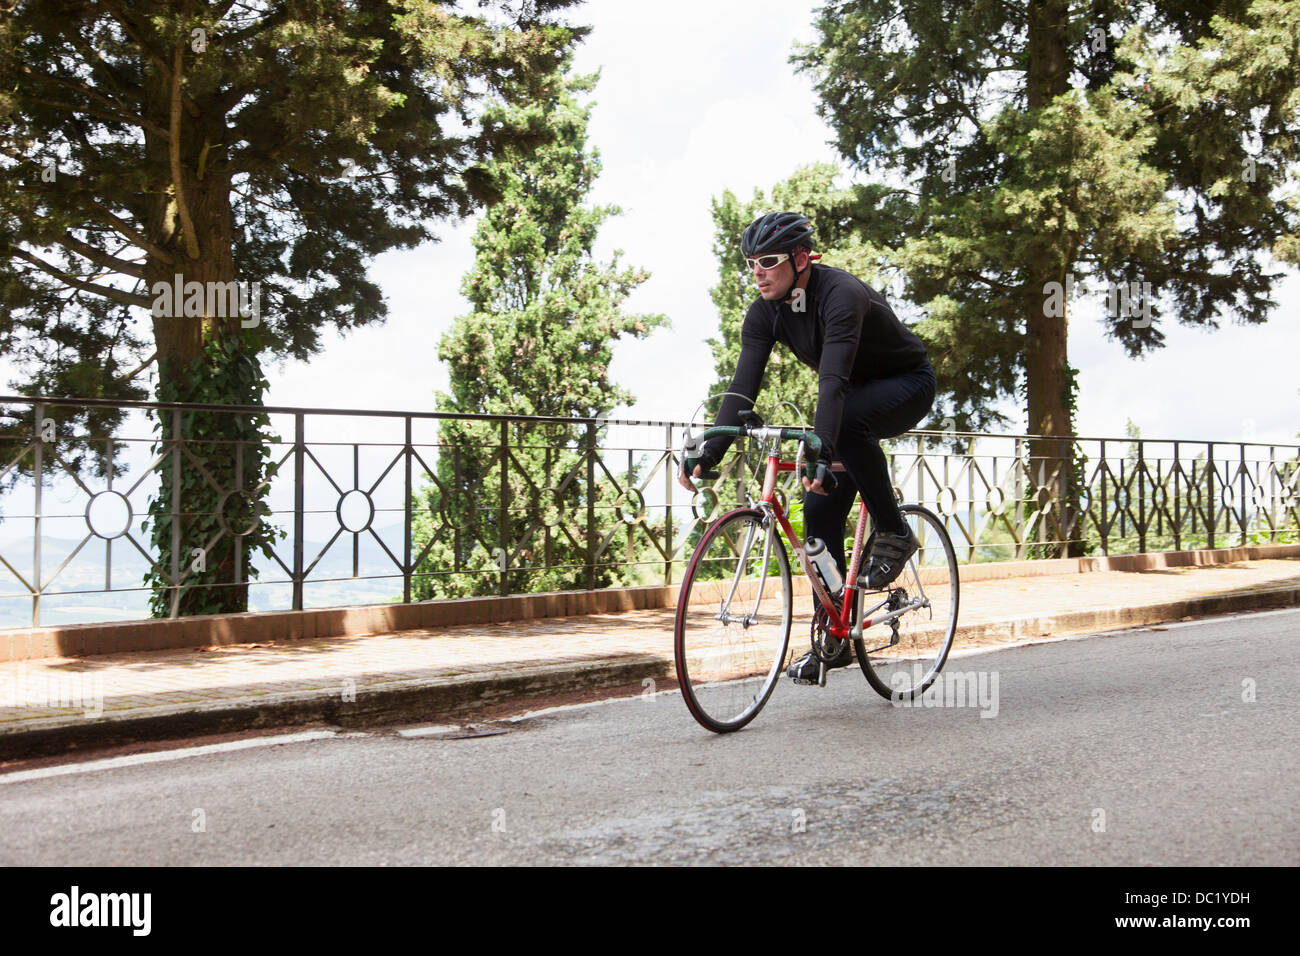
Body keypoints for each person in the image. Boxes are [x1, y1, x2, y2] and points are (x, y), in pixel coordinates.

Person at [678, 211, 937, 683]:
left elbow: (833, 381)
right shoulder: (763, 313)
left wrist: (821, 444)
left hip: (906, 384)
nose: (758, 271)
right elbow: (741, 390)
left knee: (849, 423)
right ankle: (837, 636)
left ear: (802, 259)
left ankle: (894, 529)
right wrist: (710, 449)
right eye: (751, 262)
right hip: (849, 402)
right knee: (817, 517)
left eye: (769, 261)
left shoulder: (842, 295)